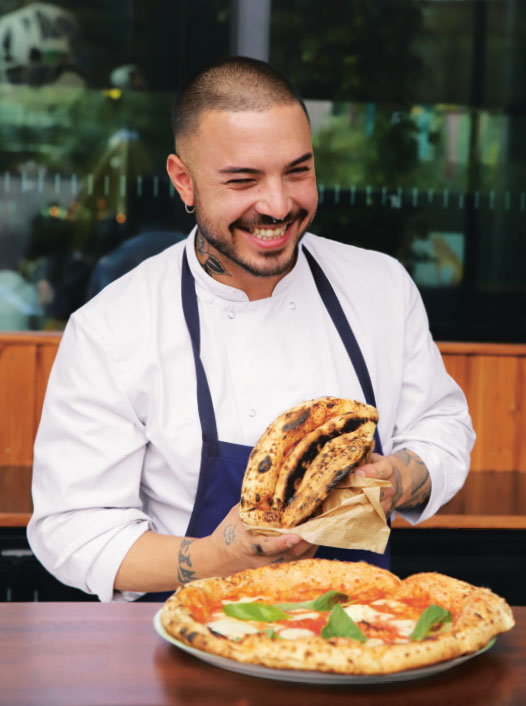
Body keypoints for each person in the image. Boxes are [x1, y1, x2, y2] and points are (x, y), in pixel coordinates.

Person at [27, 57, 475, 603]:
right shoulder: (113, 328)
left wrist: (396, 479)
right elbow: (76, 530)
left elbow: (442, 426)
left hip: (357, 638)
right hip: (184, 652)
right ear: (183, 181)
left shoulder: (379, 286)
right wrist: (221, 557)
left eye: (297, 171)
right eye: (243, 180)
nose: (279, 205)